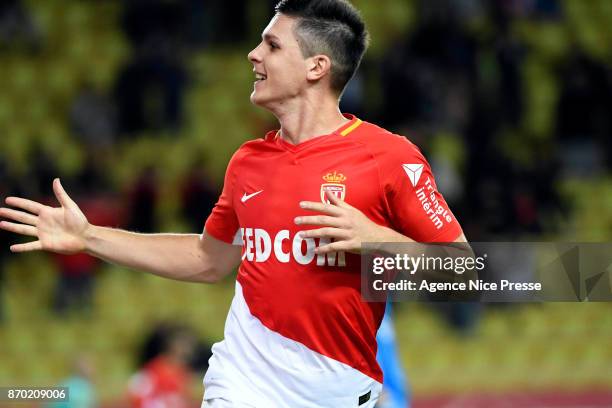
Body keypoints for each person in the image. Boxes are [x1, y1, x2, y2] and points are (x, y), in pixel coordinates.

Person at [0, 1, 467, 406]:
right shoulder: (249, 161)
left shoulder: (388, 157)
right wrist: (89, 238)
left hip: (340, 390)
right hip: (241, 386)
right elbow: (209, 258)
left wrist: (376, 240)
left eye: (272, 45)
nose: (254, 54)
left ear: (316, 67)